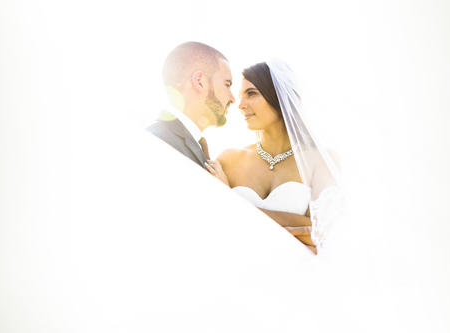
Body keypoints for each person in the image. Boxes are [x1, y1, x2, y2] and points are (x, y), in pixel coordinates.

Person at [209, 59, 343, 254]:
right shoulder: (228, 159)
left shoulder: (321, 159)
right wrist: (297, 225)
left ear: (279, 96)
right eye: (240, 96)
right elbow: (217, 224)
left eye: (252, 94)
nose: (241, 105)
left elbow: (321, 234)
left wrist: (233, 204)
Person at [147, 42, 236, 170]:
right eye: (227, 85)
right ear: (199, 82)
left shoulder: (180, 141)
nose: (232, 99)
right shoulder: (158, 143)